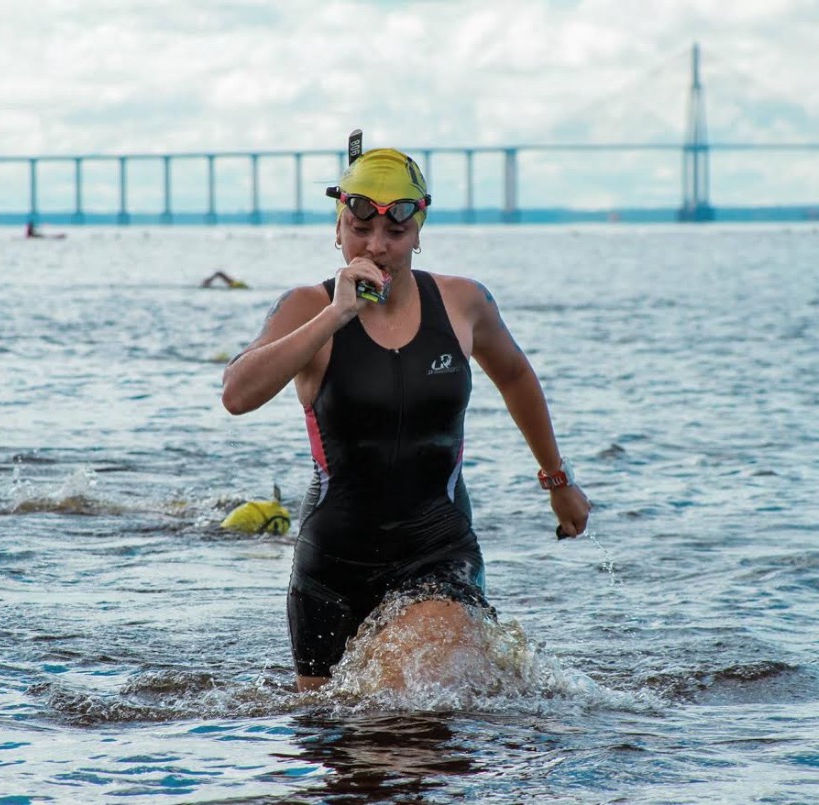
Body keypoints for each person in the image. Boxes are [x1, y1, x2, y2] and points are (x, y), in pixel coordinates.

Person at [221, 140, 591, 692]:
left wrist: (557, 481)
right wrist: (336, 315)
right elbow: (237, 394)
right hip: (330, 571)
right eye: (360, 230)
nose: (377, 246)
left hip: (438, 554)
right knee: (342, 754)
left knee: (412, 722)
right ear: (339, 229)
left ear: (418, 231)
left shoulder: (464, 303)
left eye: (395, 233)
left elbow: (515, 376)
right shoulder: (304, 307)